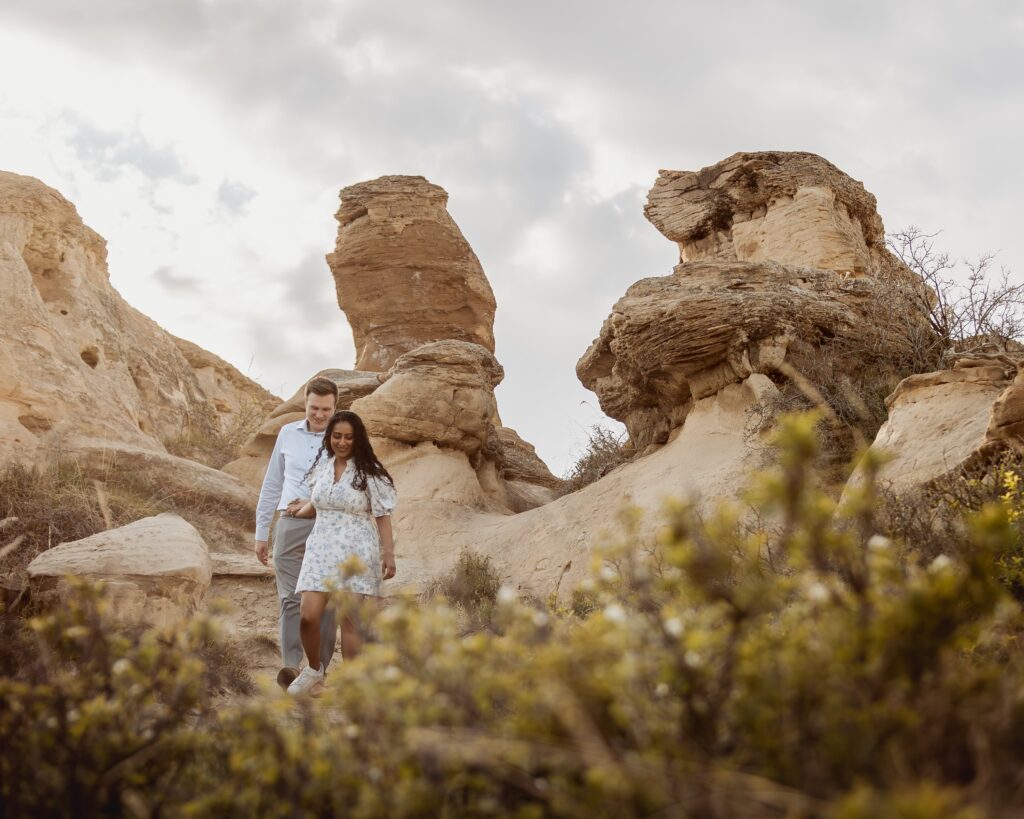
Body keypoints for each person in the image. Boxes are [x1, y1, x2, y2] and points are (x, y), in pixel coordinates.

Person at [285, 410, 397, 696]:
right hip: (321, 547)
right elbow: (320, 501)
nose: (342, 442)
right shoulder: (322, 466)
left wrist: (389, 554)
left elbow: (382, 514)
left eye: (348, 437)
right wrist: (303, 509)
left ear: (357, 438)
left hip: (356, 549)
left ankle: (352, 682)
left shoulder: (369, 472)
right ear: (329, 437)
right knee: (308, 615)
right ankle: (313, 669)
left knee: (350, 621)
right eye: (337, 436)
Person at [255, 376, 339, 690]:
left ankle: (317, 672)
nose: (319, 415)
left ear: (335, 406)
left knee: (326, 601)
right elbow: (272, 483)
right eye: (314, 407)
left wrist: (313, 501)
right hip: (288, 524)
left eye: (326, 409)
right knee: (290, 598)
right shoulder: (287, 433)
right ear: (305, 403)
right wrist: (262, 531)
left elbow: (351, 483)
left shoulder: (343, 436)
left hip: (329, 524)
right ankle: (291, 667)